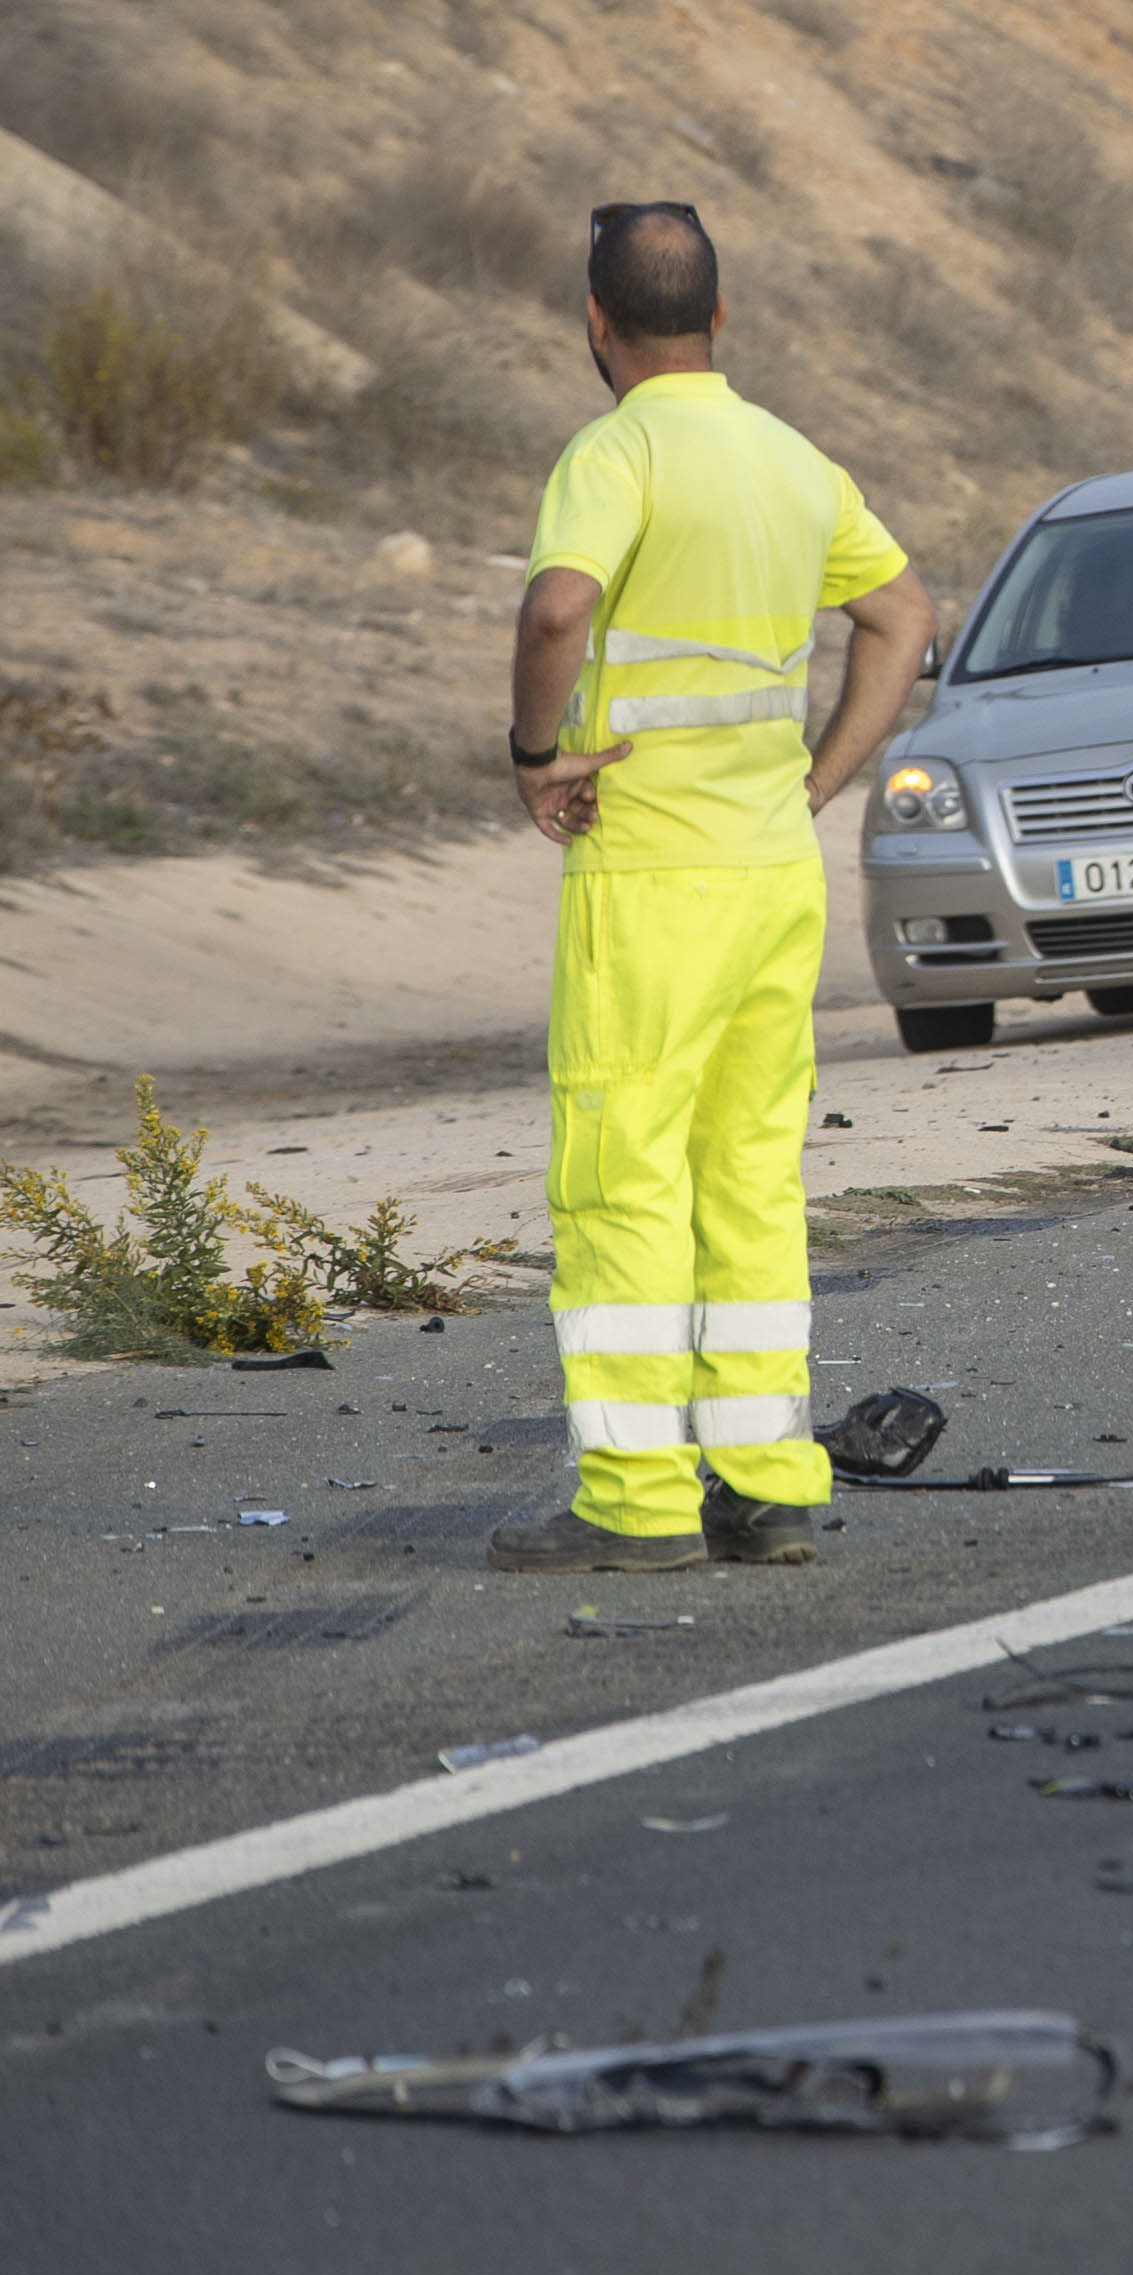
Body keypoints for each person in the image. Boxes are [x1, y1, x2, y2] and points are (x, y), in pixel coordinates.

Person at [489, 206, 934, 1575]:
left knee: (624, 1177)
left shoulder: (613, 454)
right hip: (768, 876)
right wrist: (819, 777)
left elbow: (559, 610)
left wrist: (531, 754)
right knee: (748, 1179)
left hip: (651, 880)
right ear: (721, 318)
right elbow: (906, 617)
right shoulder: (793, 460)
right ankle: (767, 1483)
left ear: (593, 321)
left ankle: (634, 1506)